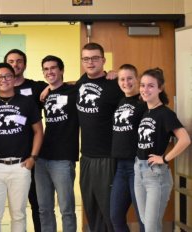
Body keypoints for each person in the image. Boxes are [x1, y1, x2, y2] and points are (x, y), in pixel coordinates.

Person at [0, 62, 43, 232]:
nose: (4, 79)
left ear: (14, 78)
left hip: (20, 166)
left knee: (18, 215)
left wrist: (33, 158)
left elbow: (39, 131)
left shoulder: (26, 103)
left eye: (8, 76)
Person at [134, 68, 190, 231]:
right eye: (142, 85)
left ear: (160, 88)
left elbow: (185, 139)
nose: (145, 89)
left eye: (151, 86)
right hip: (139, 171)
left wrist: (164, 158)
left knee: (151, 227)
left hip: (155, 175)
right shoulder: (146, 111)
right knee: (146, 222)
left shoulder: (165, 114)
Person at [76, 42, 123, 232]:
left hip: (107, 157)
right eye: (86, 58)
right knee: (91, 209)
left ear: (103, 60)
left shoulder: (115, 84)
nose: (90, 62)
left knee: (109, 212)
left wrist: (118, 73)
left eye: (95, 58)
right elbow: (70, 86)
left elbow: (136, 89)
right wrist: (48, 89)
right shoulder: (81, 83)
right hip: (86, 156)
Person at [4, 49, 47, 232]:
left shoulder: (37, 87)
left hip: (35, 155)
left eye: (19, 61)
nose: (15, 64)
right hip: (11, 157)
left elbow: (62, 86)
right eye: (11, 61)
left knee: (38, 202)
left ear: (25, 64)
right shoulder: (0, 92)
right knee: (16, 205)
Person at [35, 55, 78, 232]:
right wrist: (47, 88)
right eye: (46, 69)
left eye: (53, 68)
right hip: (42, 158)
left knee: (66, 209)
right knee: (44, 209)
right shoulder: (44, 95)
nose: (49, 72)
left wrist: (110, 73)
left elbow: (90, 80)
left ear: (61, 70)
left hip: (63, 158)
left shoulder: (73, 91)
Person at [109, 64, 146, 231]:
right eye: (122, 79)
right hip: (120, 167)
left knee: (143, 218)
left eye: (130, 78)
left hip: (137, 166)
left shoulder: (144, 102)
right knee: (115, 216)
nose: (126, 82)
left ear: (137, 79)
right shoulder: (121, 100)